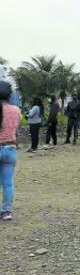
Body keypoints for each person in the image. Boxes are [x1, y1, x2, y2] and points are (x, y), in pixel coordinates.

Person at [0, 81, 20, 220]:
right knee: (7, 183)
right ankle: (6, 211)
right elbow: (15, 128)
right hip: (10, 148)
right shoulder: (16, 110)